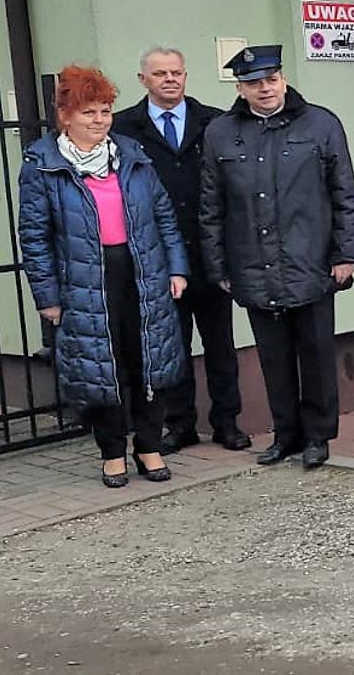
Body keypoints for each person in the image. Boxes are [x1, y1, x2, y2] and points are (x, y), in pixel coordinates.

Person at [18, 65, 188, 488]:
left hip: (142, 273)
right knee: (99, 369)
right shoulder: (44, 165)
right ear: (66, 117)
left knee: (149, 362)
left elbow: (164, 217)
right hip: (84, 281)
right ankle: (112, 452)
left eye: (105, 111)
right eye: (89, 112)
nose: (100, 120)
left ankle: (148, 446)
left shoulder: (132, 156)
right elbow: (34, 236)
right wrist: (47, 297)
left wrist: (177, 267)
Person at [198, 45, 354, 469]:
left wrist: (347, 254)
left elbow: (344, 194)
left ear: (283, 80)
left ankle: (318, 437)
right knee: (273, 358)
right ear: (240, 88)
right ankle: (285, 435)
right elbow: (211, 207)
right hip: (252, 264)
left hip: (311, 261)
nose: (265, 89)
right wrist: (219, 268)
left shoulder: (321, 124)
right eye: (254, 83)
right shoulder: (221, 133)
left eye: (271, 80)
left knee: (316, 354)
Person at [112, 46, 250, 452]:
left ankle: (227, 423)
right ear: (144, 80)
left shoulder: (214, 122)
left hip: (210, 252)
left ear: (186, 76)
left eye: (176, 72)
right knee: (172, 346)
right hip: (158, 257)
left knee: (221, 345)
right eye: (160, 74)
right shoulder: (124, 129)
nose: (169, 79)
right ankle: (180, 424)